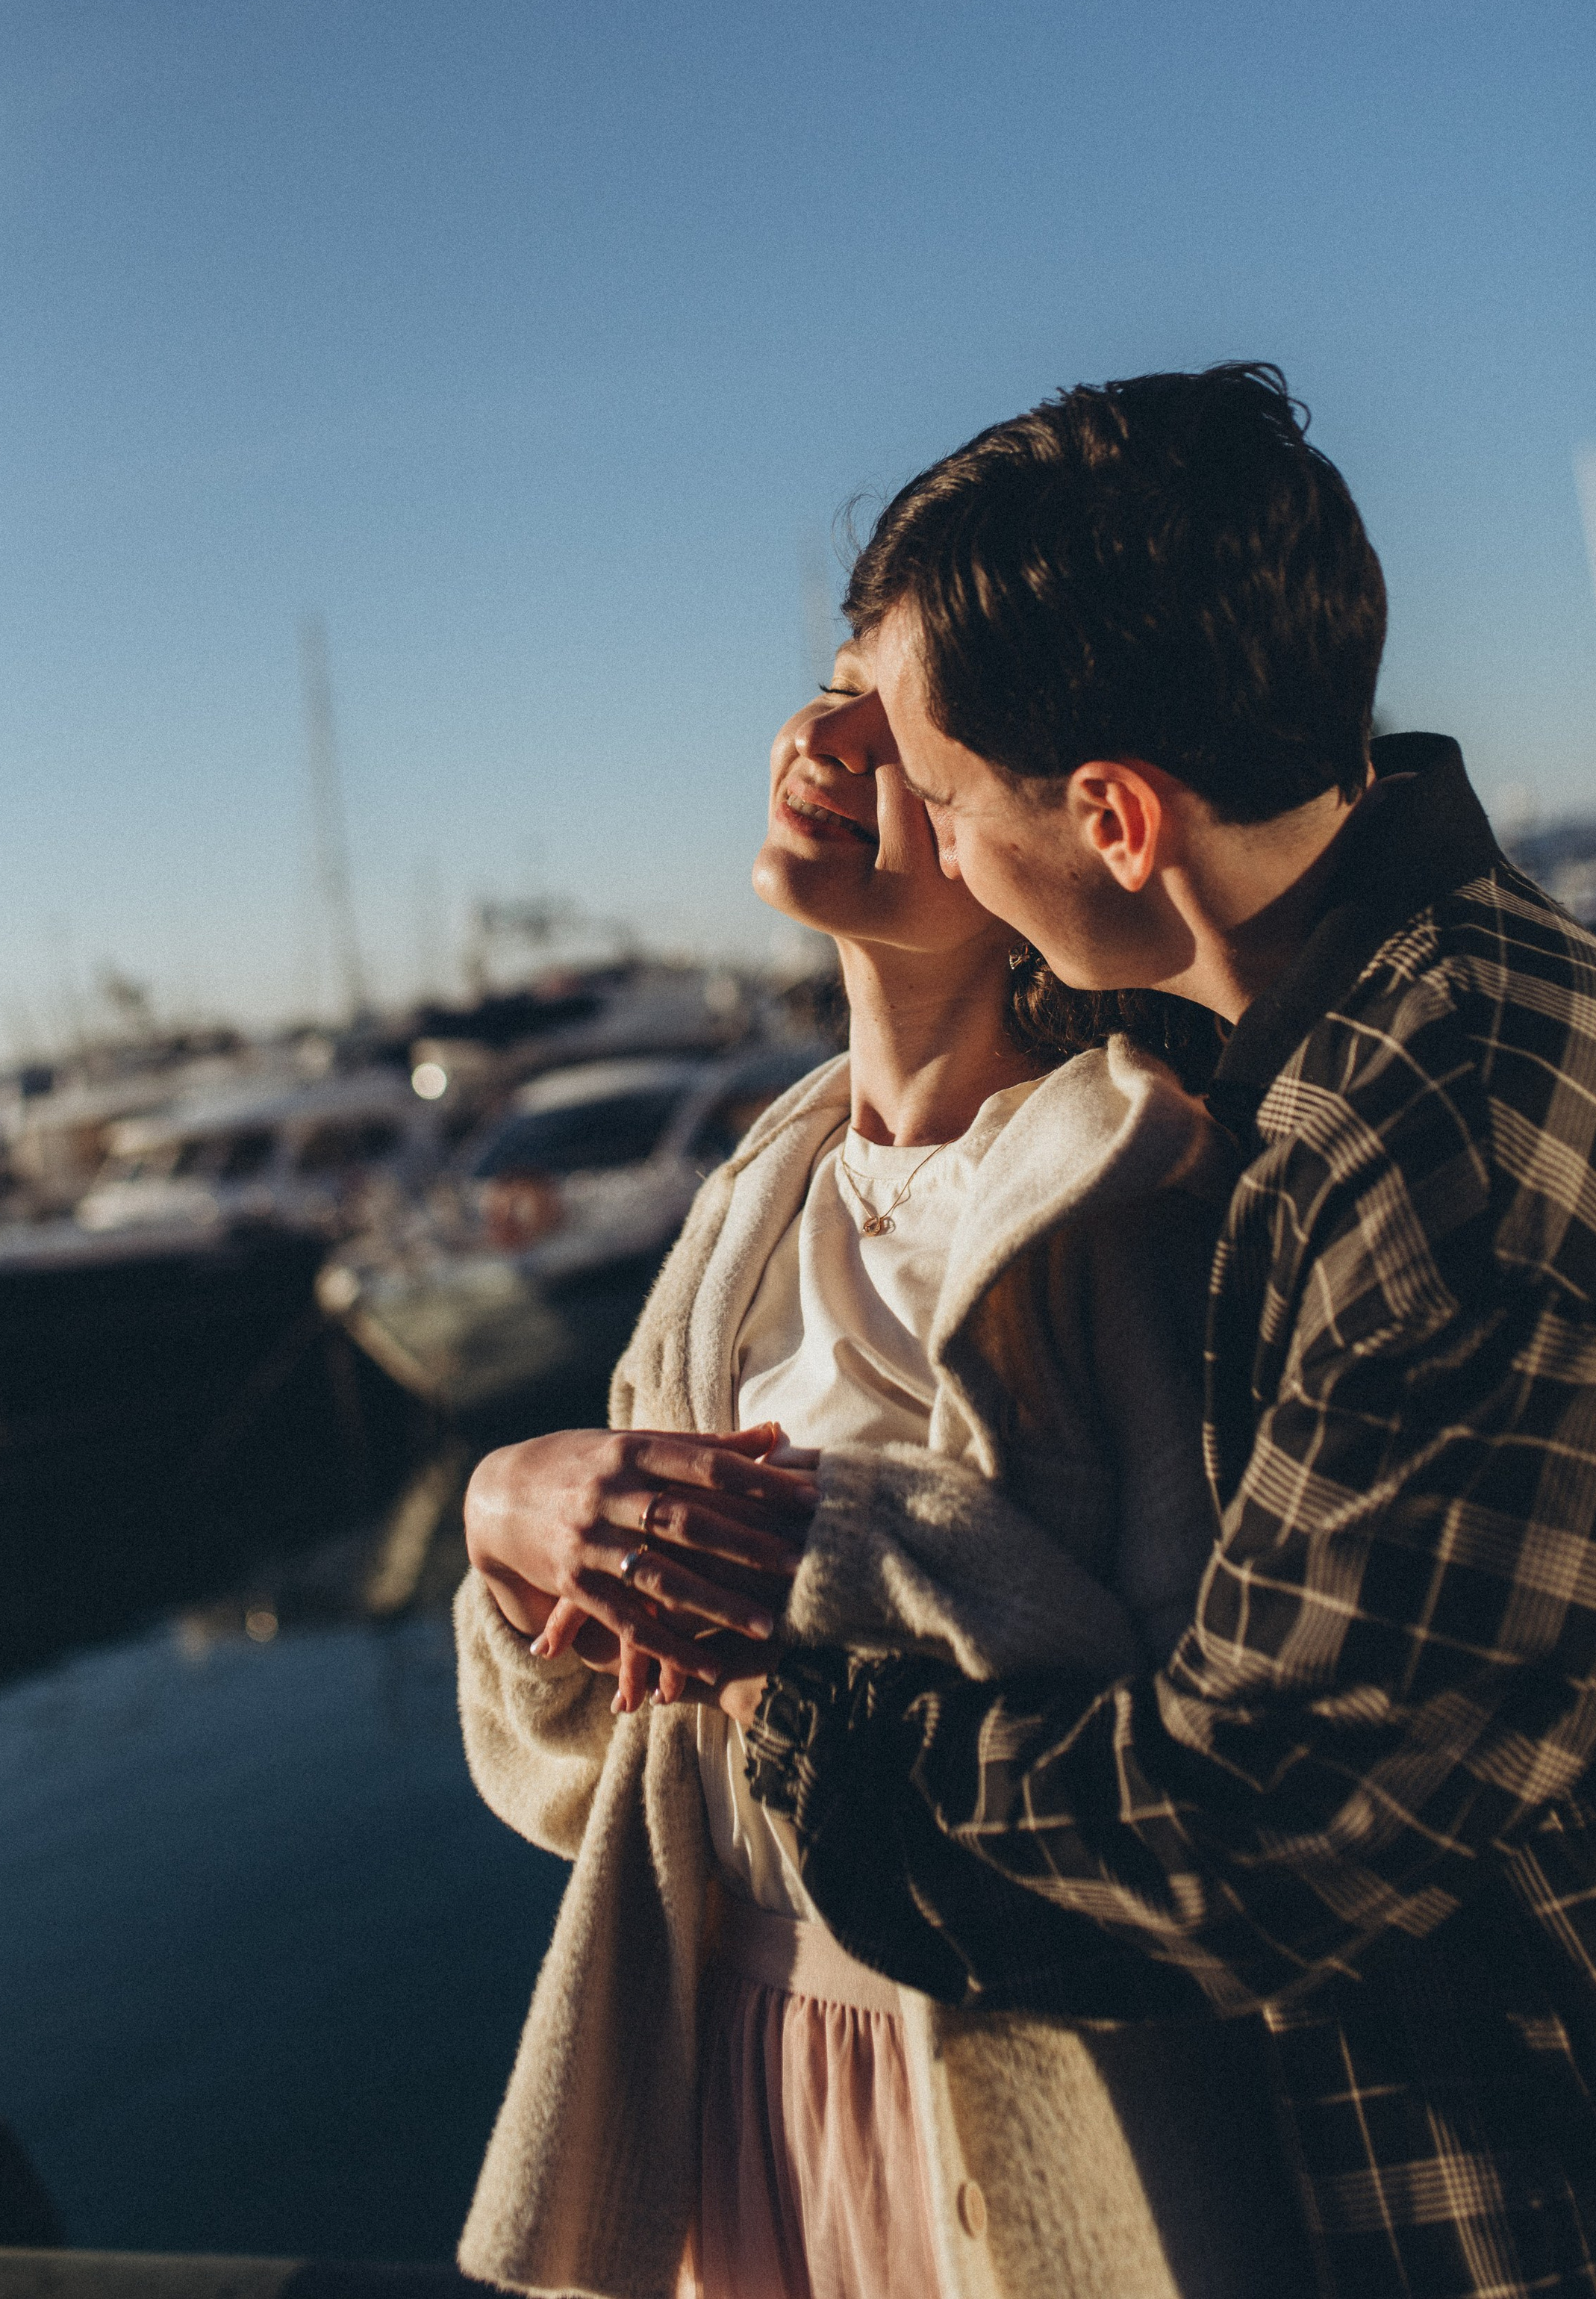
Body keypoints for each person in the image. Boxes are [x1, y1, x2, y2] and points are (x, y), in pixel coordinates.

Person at [722, 364, 1596, 2299]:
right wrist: (882, 919)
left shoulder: (1448, 1132)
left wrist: (803, 1720)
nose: (916, 831)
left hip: (1583, 2221)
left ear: (1111, 812)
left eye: (935, 795)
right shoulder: (1288, 1031)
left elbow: (1274, 1829)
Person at [452, 639, 1303, 2299]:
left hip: (1013, 2079)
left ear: (1030, 834)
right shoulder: (751, 1198)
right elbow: (578, 1763)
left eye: (900, 724)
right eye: (826, 679)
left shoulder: (1133, 1186)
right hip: (726, 2059)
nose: (825, 735)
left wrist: (801, 1548)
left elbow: (1187, 1727)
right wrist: (509, 1507)